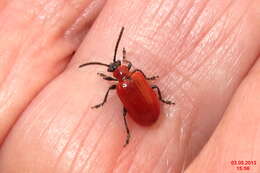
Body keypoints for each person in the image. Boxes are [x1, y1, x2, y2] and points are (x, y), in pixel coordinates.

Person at [0, 0, 259, 172]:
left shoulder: (123, 85)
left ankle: (132, 129)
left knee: (132, 102)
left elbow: (142, 88)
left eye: (116, 67)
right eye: (115, 68)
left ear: (117, 71)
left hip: (147, 109)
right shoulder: (132, 79)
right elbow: (146, 87)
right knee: (141, 97)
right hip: (146, 109)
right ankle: (138, 122)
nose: (115, 69)